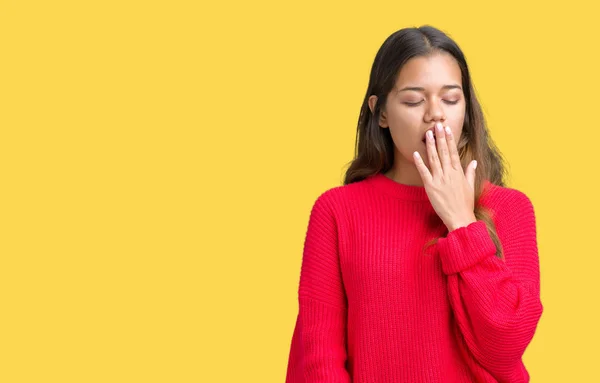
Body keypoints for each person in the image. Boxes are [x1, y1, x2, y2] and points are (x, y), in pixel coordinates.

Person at [284, 25, 544, 383]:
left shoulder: (510, 209)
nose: (435, 114)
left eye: (451, 100)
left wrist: (461, 222)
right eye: (413, 100)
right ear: (381, 113)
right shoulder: (337, 211)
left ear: (466, 111)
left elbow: (505, 348)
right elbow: (319, 361)